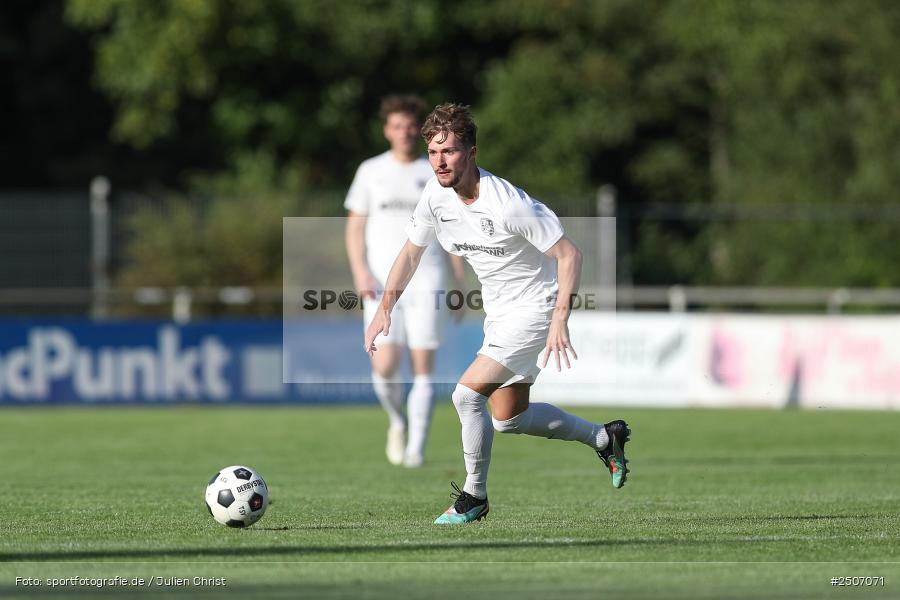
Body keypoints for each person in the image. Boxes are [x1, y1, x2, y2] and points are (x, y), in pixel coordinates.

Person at [364, 103, 631, 524]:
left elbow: (569, 255)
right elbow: (411, 253)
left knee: (466, 395)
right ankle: (604, 437)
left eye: (449, 151)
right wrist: (384, 309)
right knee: (509, 418)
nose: (440, 161)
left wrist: (560, 318)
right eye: (433, 152)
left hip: (537, 308)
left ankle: (474, 497)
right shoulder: (435, 196)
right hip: (502, 314)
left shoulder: (508, 203)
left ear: (471, 151)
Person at [346, 95, 466, 468]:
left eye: (410, 126)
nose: (404, 132)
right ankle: (397, 421)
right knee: (383, 367)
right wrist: (360, 271)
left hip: (428, 277)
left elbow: (453, 227)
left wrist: (459, 281)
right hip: (382, 281)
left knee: (422, 365)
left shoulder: (434, 170)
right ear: (387, 130)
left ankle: (416, 447)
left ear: (419, 129)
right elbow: (354, 227)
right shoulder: (370, 171)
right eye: (397, 126)